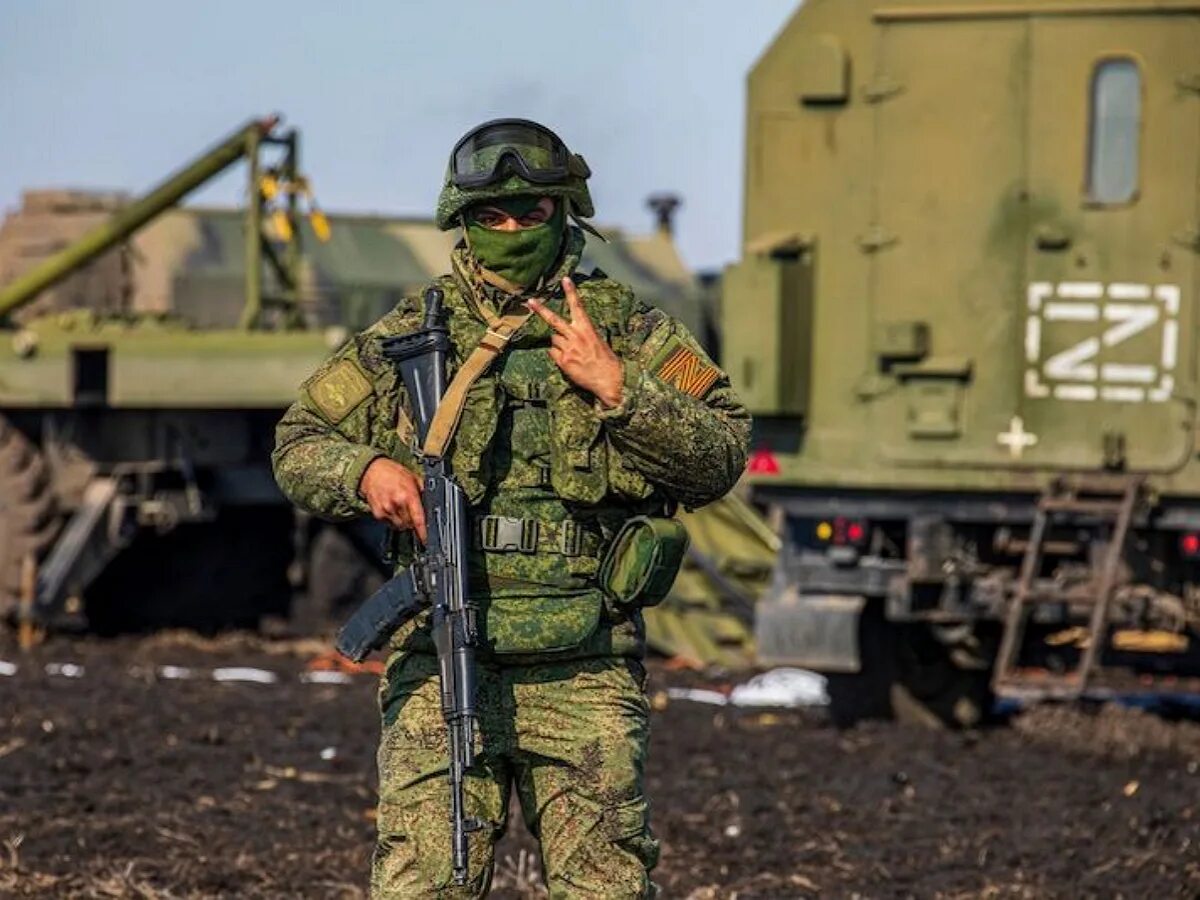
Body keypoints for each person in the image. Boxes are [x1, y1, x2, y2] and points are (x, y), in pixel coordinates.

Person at [272, 118, 749, 899]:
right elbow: (298, 443)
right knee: (426, 881)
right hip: (441, 656)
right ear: (461, 221)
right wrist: (368, 472)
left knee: (606, 885)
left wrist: (618, 389)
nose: (510, 230)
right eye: (491, 217)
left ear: (565, 214)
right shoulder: (409, 335)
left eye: (529, 213)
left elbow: (723, 453)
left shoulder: (625, 328)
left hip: (584, 664)